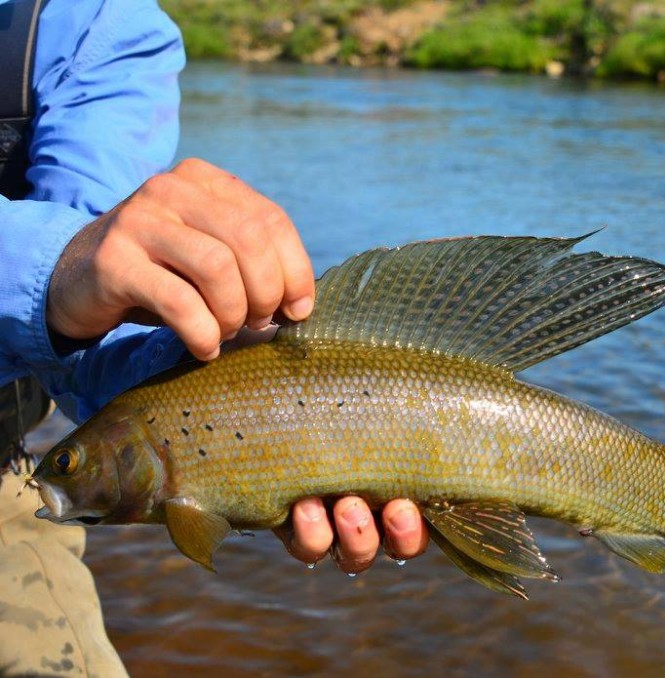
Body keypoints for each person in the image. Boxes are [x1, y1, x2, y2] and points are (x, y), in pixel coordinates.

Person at [1, 0, 426, 673]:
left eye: (75, 465)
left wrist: (220, 355)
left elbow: (90, 333)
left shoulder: (95, 23)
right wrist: (49, 269)